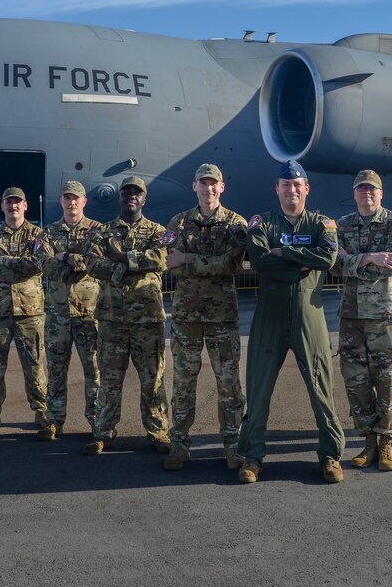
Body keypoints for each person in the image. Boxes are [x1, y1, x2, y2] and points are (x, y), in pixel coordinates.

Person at [237, 160, 346, 484]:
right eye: (286, 185)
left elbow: (327, 258)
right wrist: (301, 260)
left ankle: (330, 455)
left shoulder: (322, 224)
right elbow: (259, 260)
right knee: (258, 388)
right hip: (268, 314)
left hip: (308, 315)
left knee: (321, 388)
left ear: (306, 188)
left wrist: (282, 252)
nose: (292, 189)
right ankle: (252, 457)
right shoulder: (263, 222)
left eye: (297, 185)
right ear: (278, 189)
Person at [161, 163, 249, 471]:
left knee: (228, 384)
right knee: (183, 382)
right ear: (194, 186)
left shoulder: (235, 223)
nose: (208, 188)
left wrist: (190, 258)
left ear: (222, 188)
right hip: (187, 316)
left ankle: (234, 445)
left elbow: (234, 264)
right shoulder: (180, 221)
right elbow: (171, 261)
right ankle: (179, 445)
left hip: (222, 317)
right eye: (203, 183)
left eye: (214, 183)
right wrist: (203, 261)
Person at [81, 176, 171, 454]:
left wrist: (122, 258)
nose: (132, 196)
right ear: (119, 197)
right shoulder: (103, 232)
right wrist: (133, 264)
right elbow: (92, 264)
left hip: (148, 320)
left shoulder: (157, 231)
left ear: (144, 199)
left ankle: (158, 432)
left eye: (137, 193)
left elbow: (162, 258)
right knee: (109, 379)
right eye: (127, 192)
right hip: (112, 320)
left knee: (152, 379)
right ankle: (103, 432)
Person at [334, 169, 392, 472]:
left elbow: (390, 266)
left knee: (389, 380)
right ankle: (367, 440)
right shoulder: (341, 225)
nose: (366, 193)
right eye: (361, 189)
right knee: (356, 381)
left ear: (381, 194)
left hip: (385, 316)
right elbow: (333, 262)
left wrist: (353, 259)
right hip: (352, 316)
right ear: (354, 194)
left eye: (372, 189)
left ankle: (387, 443)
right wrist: (368, 257)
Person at [0, 187, 48, 432]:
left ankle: (42, 411)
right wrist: (19, 266)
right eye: (9, 203)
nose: (13, 206)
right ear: (2, 206)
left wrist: (5, 260)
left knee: (35, 363)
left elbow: (39, 264)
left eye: (17, 202)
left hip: (30, 312)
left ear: (25, 206)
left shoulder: (38, 235)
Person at [33, 181, 104, 442]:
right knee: (56, 369)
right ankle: (54, 420)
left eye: (76, 198)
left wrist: (63, 257)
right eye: (67, 198)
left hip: (88, 315)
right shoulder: (48, 232)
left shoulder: (97, 231)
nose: (71, 202)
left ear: (84, 201)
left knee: (94, 371)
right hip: (58, 315)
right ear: (60, 201)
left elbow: (94, 262)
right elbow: (43, 264)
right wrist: (67, 258)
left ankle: (97, 421)